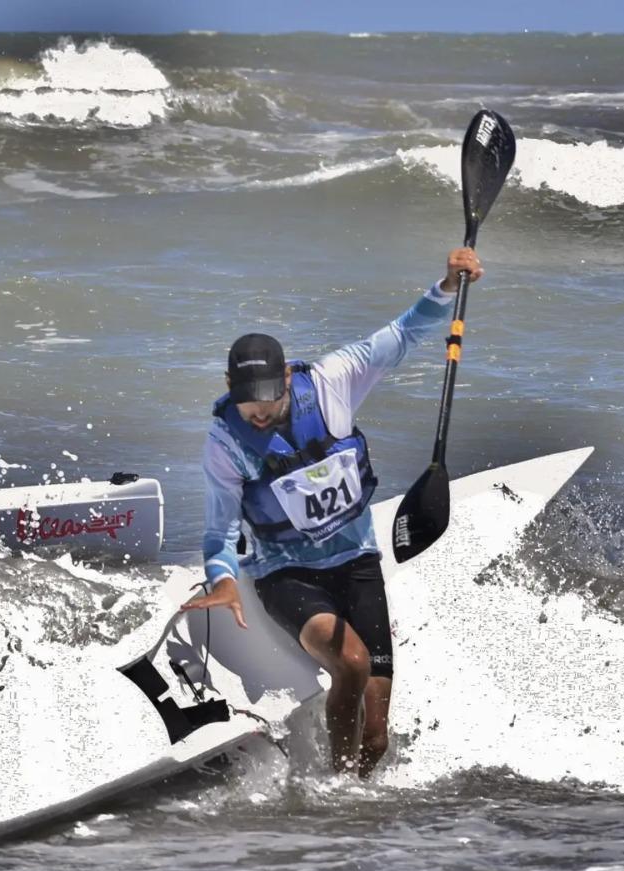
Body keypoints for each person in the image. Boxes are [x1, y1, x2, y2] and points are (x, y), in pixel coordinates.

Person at [181, 248, 484, 778]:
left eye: (270, 402)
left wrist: (446, 284)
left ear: (286, 380)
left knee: (377, 736)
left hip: (358, 559)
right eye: (250, 404)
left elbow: (402, 334)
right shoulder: (223, 443)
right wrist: (222, 579)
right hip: (286, 572)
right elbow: (220, 527)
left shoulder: (330, 382)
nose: (261, 414)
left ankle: (353, 796)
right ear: (231, 389)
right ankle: (335, 788)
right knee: (352, 662)